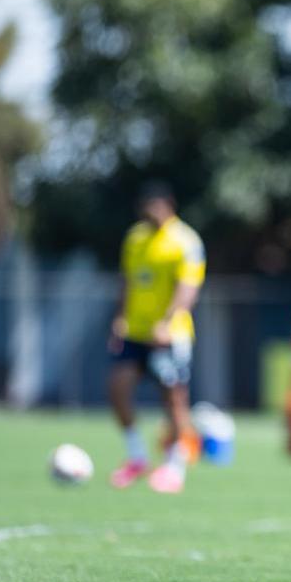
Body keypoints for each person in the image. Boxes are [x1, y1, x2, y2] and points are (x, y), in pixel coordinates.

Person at [107, 181, 206, 495]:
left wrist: (167, 322)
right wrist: (120, 318)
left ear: (168, 205)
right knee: (117, 387)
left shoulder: (185, 240)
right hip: (136, 332)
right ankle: (137, 455)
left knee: (173, 398)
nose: (150, 212)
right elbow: (128, 280)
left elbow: (188, 288)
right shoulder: (135, 238)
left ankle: (175, 466)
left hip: (170, 335)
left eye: (155, 205)